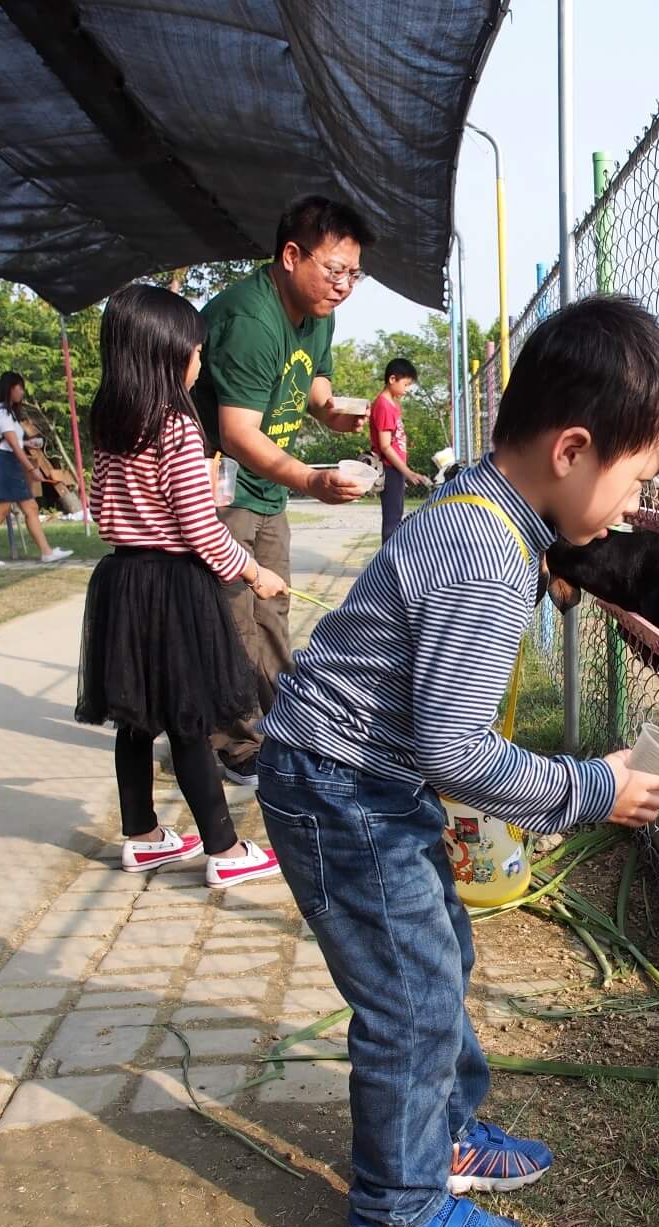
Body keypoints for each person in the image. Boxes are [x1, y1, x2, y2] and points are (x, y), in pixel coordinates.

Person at [256, 295, 659, 1227]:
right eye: (638, 479)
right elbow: (456, 749)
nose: (635, 508)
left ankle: (443, 1135)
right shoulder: (489, 558)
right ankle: (395, 1208)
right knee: (410, 997)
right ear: (573, 450)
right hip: (339, 788)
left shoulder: (482, 512)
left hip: (361, 777)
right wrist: (589, 789)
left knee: (436, 954)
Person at [75, 285, 284, 889]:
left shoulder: (112, 423)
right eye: (195, 351)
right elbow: (200, 528)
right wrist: (254, 572)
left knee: (137, 718)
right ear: (166, 354)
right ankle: (225, 849)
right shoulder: (177, 426)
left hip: (122, 579)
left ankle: (142, 838)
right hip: (173, 585)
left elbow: (101, 508)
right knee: (189, 717)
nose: (199, 361)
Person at [193, 194, 376, 788]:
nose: (344, 286)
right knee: (234, 617)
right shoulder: (251, 321)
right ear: (292, 255)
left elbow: (314, 382)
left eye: (354, 274)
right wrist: (312, 480)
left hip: (268, 489)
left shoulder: (318, 311)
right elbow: (237, 433)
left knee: (272, 610)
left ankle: (279, 726)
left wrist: (332, 413)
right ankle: (235, 741)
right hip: (222, 491)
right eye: (335, 270)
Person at [0, 371, 74, 568]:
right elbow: (13, 446)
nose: (22, 392)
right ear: (10, 388)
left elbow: (15, 442)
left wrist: (29, 442)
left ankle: (47, 552)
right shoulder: (2, 413)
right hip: (3, 465)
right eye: (19, 387)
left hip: (10, 464)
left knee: (30, 508)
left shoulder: (9, 413)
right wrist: (32, 469)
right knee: (1, 509)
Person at [370, 357, 422, 542]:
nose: (407, 390)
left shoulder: (391, 405)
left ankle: (392, 556)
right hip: (390, 468)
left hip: (396, 469)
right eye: (405, 385)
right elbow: (385, 446)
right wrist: (408, 472)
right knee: (392, 521)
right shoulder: (383, 406)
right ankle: (388, 558)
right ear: (392, 379)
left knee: (396, 517)